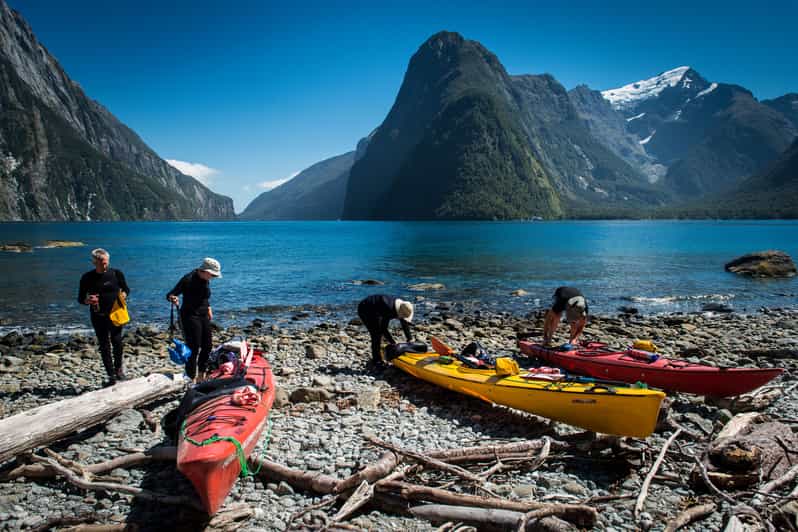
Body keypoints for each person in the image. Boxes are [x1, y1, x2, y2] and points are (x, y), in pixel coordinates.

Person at [78, 248, 130, 386]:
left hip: (115, 314)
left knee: (117, 342)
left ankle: (119, 370)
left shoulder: (116, 273)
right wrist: (88, 301)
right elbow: (80, 299)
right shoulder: (87, 277)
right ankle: (111, 374)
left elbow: (126, 289)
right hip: (98, 316)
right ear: (94, 262)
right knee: (104, 345)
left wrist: (123, 295)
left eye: (106, 263)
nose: (104, 266)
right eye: (101, 263)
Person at [167, 258, 222, 381]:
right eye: (212, 275)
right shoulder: (188, 279)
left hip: (203, 314)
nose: (213, 277)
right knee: (194, 347)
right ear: (205, 271)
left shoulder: (206, 279)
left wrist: (209, 307)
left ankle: (201, 374)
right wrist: (173, 298)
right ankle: (191, 376)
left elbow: (204, 296)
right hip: (189, 315)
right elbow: (171, 294)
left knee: (207, 346)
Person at [357, 295, 414, 368]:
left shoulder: (404, 306)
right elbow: (383, 328)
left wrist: (410, 339)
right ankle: (376, 361)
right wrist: (393, 342)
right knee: (376, 334)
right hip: (365, 309)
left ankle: (378, 357)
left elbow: (404, 322)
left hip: (377, 306)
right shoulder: (389, 309)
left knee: (379, 330)